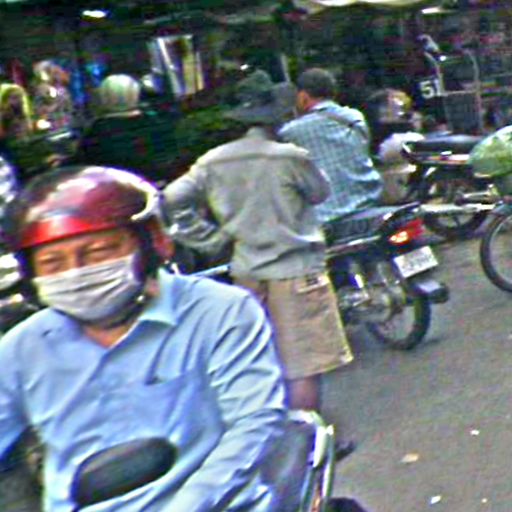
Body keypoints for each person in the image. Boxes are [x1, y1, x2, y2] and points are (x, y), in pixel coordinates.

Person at [0, 165, 286, 511]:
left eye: (97, 252)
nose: (75, 272)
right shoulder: (21, 348)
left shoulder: (218, 310)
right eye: (52, 263)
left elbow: (254, 423)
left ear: (153, 242)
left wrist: (190, 505)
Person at [164, 70, 355, 457]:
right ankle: (308, 448)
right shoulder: (290, 157)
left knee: (261, 358)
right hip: (297, 270)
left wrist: (209, 239)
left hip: (246, 270)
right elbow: (320, 193)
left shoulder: (212, 161)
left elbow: (170, 200)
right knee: (302, 365)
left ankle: (269, 437)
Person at [279, 67, 383, 240]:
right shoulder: (354, 117)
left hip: (327, 219)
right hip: (368, 205)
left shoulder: (291, 132)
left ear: (303, 96)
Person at [76, 74, 178, 186]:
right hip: (159, 185)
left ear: (103, 97)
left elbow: (85, 164)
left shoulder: (97, 130)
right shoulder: (155, 122)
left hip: (118, 190)